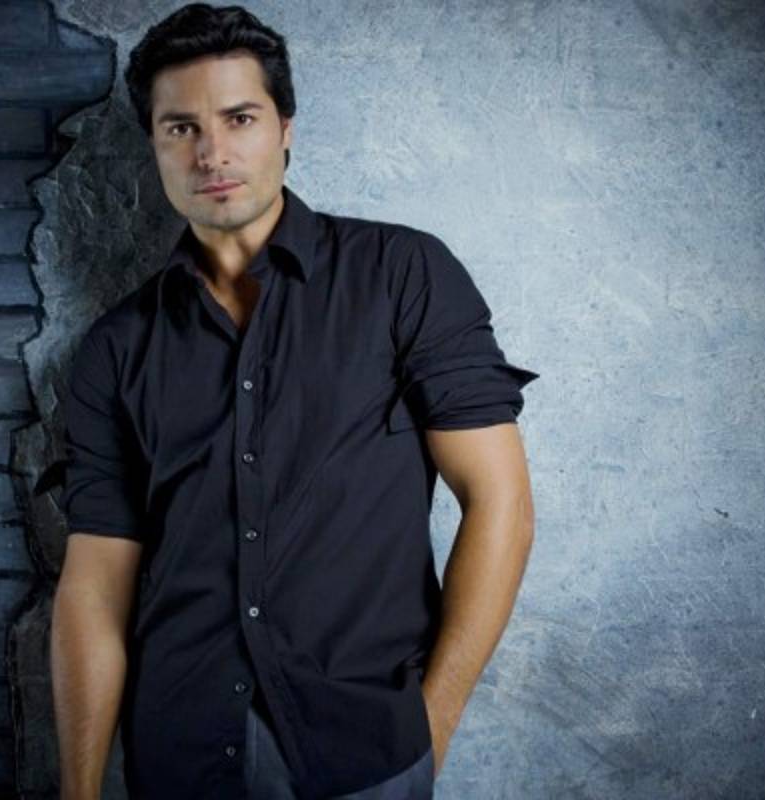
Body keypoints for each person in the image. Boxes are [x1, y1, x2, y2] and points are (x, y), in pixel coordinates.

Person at [45, 4, 538, 799]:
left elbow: (499, 501)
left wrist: (434, 724)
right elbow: (96, 585)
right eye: (181, 128)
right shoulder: (115, 347)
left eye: (239, 118)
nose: (212, 152)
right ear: (155, 146)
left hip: (365, 752)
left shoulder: (401, 275)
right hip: (178, 756)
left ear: (285, 129)